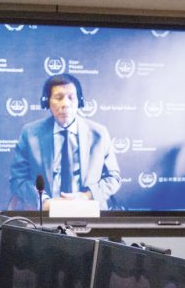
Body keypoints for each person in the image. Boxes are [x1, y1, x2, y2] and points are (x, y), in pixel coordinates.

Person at [9, 74, 121, 210]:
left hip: (88, 211)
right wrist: (44, 202)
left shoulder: (99, 134)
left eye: (71, 97)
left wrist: (87, 196)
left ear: (80, 101)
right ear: (47, 102)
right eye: (58, 98)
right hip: (45, 214)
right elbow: (18, 179)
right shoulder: (30, 133)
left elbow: (113, 178)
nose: (65, 104)